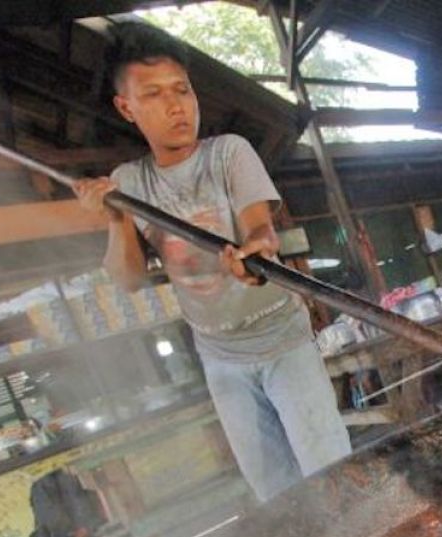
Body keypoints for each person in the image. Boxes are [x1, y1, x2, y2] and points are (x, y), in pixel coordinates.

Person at [73, 23, 351, 502]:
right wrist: (116, 218)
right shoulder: (129, 183)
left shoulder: (228, 153)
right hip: (221, 360)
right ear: (126, 107)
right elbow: (129, 280)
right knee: (275, 493)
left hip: (283, 341)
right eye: (154, 94)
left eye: (182, 90)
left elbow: (260, 229)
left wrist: (257, 255)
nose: (176, 105)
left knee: (330, 471)